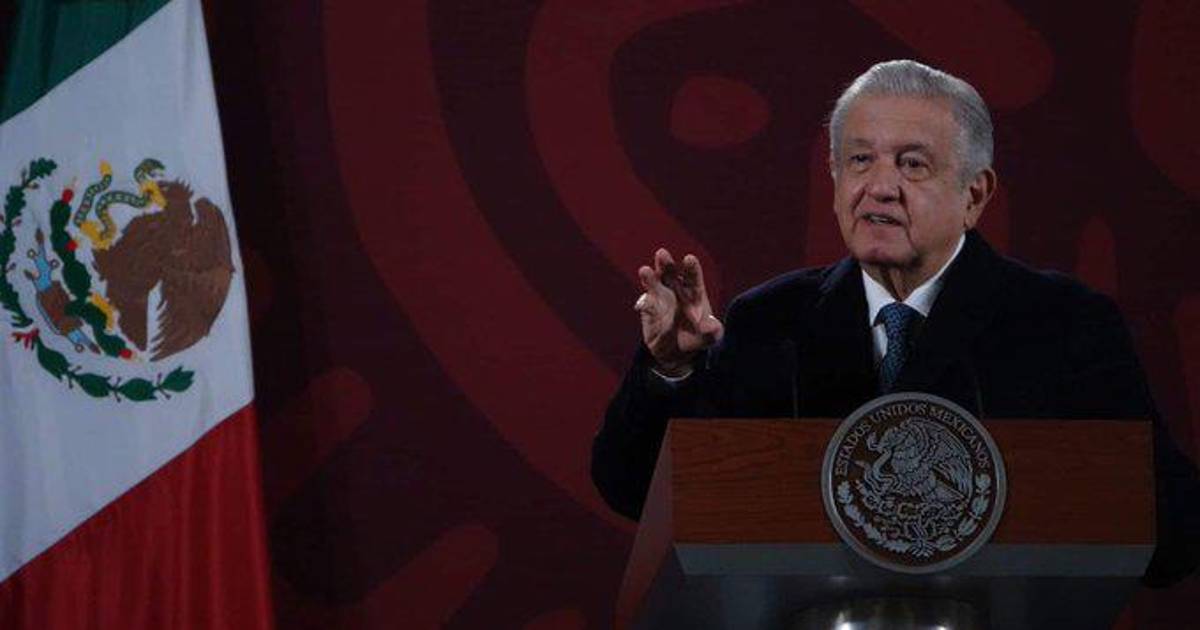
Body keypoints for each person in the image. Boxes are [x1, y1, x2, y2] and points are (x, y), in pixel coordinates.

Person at [591, 60, 1199, 586]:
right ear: (835, 180)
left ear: (974, 195)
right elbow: (635, 492)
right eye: (860, 160)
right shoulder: (770, 322)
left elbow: (1171, 535)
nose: (879, 187)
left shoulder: (1065, 324)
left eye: (912, 165)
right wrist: (671, 371)